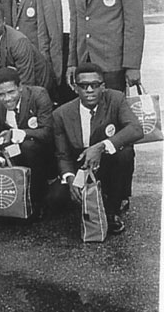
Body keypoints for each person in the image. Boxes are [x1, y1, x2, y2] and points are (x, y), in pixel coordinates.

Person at [53, 63, 142, 234]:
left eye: (94, 85)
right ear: (75, 88)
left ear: (103, 86)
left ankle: (113, 209)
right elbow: (62, 155)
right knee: (56, 200)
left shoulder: (116, 99)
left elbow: (136, 129)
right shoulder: (61, 114)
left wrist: (101, 147)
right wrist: (70, 178)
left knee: (126, 153)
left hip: (107, 162)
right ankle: (89, 201)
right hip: (81, 166)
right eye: (83, 86)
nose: (89, 90)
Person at [0, 67, 54, 215]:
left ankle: (36, 201)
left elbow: (47, 132)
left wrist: (18, 133)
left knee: (28, 147)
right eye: (1, 94)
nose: (7, 98)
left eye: (11, 92)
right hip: (16, 150)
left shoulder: (39, 95)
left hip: (43, 153)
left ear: (20, 87)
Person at [0, 2, 52, 105]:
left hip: (38, 85)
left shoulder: (18, 42)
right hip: (10, 89)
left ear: (4, 22)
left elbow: (26, 83)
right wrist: (1, 109)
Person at [36, 0, 78, 105]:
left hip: (81, 47)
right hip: (59, 51)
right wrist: (47, 63)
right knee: (64, 103)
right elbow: (42, 32)